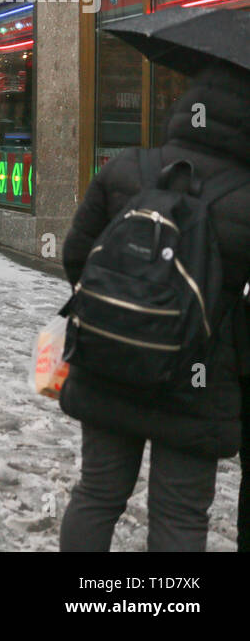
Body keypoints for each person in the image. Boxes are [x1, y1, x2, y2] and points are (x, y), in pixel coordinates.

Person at [58, 63, 250, 552]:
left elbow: (77, 256)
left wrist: (124, 315)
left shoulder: (126, 167)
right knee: (181, 516)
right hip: (197, 381)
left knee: (97, 494)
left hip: (108, 362)